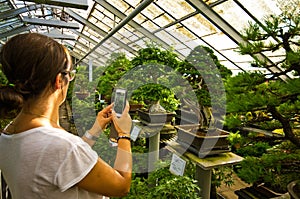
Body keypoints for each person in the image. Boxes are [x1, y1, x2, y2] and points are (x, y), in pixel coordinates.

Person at [0, 33, 132, 199]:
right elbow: (121, 186)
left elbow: (63, 163)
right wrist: (124, 134)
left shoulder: (9, 132)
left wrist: (95, 129)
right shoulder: (61, 147)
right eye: (70, 74)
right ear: (58, 81)